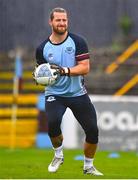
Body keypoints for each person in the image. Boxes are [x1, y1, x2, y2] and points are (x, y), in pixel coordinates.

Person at [35, 7, 103, 176]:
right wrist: (39, 76)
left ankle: (88, 166)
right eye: (58, 20)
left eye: (64, 20)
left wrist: (63, 70)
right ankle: (58, 155)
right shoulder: (42, 48)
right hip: (54, 94)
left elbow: (85, 68)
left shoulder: (78, 42)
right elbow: (41, 70)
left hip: (77, 93)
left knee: (93, 131)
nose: (62, 23)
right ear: (51, 22)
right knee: (52, 123)